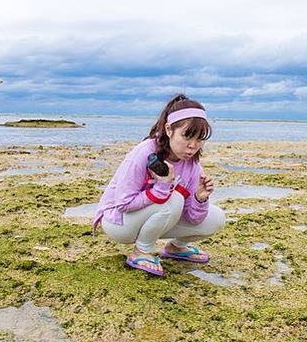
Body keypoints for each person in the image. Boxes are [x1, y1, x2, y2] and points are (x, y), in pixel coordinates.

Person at [92, 94, 226, 276]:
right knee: (174, 200)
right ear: (169, 129)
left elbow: (193, 218)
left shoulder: (192, 165)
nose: (193, 146)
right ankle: (142, 251)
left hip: (156, 215)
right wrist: (161, 188)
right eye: (187, 137)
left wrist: (199, 199)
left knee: (217, 218)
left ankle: (176, 248)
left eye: (200, 139)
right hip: (118, 222)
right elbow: (123, 204)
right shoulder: (143, 153)